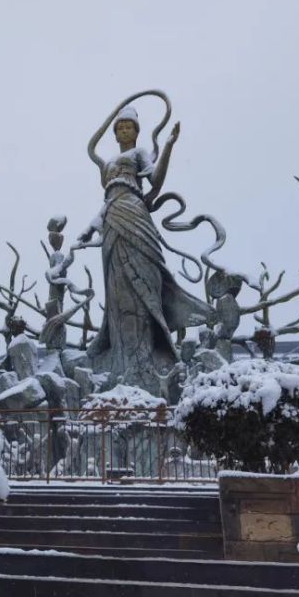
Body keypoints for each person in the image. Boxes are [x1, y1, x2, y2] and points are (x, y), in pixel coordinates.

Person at [85, 96, 215, 394]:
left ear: (137, 132)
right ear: (114, 132)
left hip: (135, 214)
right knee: (117, 289)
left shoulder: (140, 153)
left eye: (130, 126)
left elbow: (155, 180)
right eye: (121, 127)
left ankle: (150, 356)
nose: (125, 131)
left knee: (144, 281)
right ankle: (120, 358)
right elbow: (106, 202)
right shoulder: (106, 164)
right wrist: (89, 228)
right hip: (112, 219)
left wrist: (168, 145)